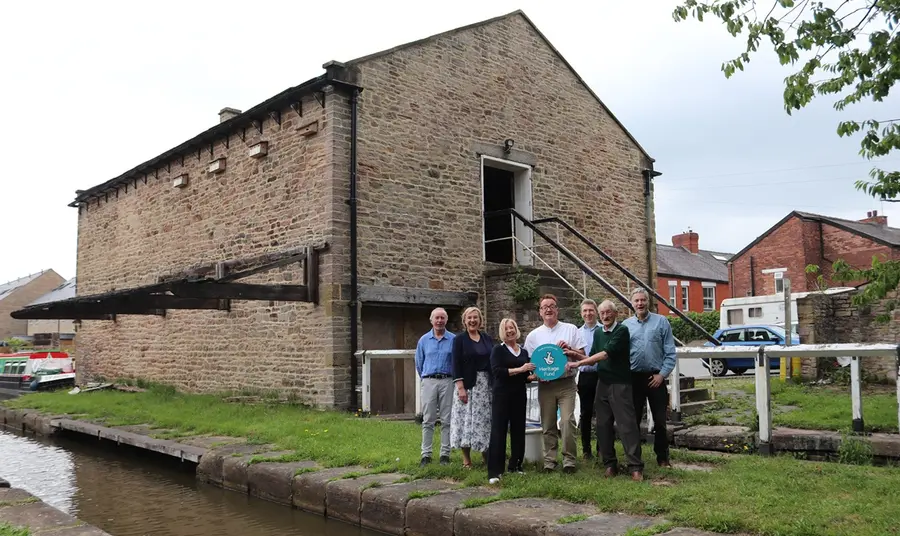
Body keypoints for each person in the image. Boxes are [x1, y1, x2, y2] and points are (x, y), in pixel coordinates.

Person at [567, 300, 644, 481]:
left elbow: (604, 354)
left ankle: (635, 467)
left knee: (626, 425)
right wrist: (571, 352)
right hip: (603, 383)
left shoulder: (622, 331)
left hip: (620, 383)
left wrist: (577, 363)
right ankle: (610, 464)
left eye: (609, 312)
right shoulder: (599, 333)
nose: (605, 316)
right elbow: (592, 358)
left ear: (615, 314)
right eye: (602, 313)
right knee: (602, 425)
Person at [523, 294, 589, 473]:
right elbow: (530, 364)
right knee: (548, 424)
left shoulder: (571, 329)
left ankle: (569, 461)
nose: (548, 309)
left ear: (557, 309)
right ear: (540, 312)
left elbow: (583, 356)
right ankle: (550, 461)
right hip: (546, 385)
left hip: (566, 383)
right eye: (545, 307)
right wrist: (537, 375)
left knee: (567, 421)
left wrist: (569, 349)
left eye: (552, 306)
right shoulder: (533, 336)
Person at [622, 287, 677, 468]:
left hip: (656, 377)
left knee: (660, 421)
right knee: (634, 420)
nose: (640, 303)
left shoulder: (662, 322)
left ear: (648, 302)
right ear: (632, 303)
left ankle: (662, 458)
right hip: (634, 378)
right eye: (636, 301)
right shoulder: (626, 325)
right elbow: (621, 354)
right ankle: (635, 460)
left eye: (642, 300)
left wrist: (662, 375)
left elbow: (670, 353)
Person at [487, 318, 536, 484]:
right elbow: (497, 371)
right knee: (499, 431)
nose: (510, 331)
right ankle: (495, 471)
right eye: (506, 328)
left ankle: (516, 465)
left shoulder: (523, 352)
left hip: (519, 394)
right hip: (502, 394)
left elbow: (525, 377)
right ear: (502, 332)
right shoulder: (498, 350)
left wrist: (531, 376)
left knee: (518, 430)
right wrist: (520, 369)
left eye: (512, 327)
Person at [450, 306, 494, 468]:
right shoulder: (459, 340)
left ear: (480, 320)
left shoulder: (487, 339)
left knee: (484, 420)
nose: (472, 320)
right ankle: (466, 458)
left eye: (475, 317)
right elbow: (455, 363)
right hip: (467, 385)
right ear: (465, 321)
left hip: (485, 386)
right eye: (469, 318)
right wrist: (460, 387)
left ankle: (486, 454)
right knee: (465, 420)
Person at [414, 307, 455, 467]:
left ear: (446, 320)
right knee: (428, 419)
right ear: (431, 320)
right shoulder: (424, 340)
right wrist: (426, 377)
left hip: (447, 380)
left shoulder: (453, 339)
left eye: (442, 318)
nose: (439, 321)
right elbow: (419, 362)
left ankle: (445, 454)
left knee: (447, 419)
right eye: (437, 318)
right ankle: (426, 455)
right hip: (429, 380)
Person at [576, 299, 601, 459]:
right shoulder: (577, 333)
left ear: (596, 312)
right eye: (585, 311)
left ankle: (601, 448)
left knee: (603, 414)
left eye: (591, 310)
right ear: (581, 313)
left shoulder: (603, 330)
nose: (588, 313)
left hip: (601, 376)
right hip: (585, 376)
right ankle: (586, 450)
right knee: (585, 414)